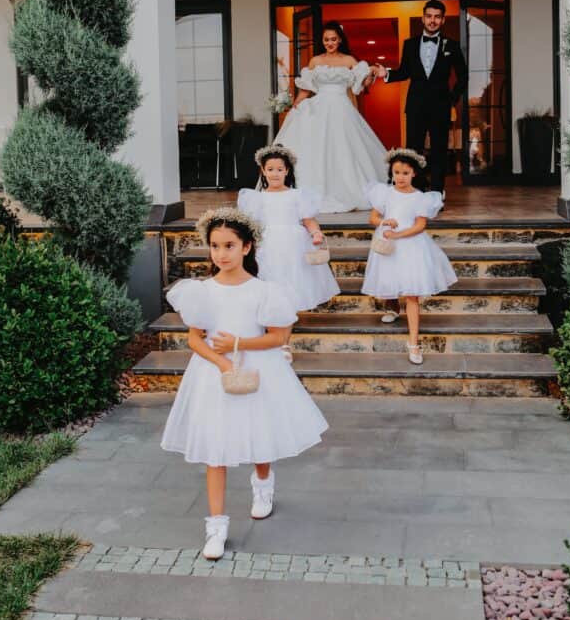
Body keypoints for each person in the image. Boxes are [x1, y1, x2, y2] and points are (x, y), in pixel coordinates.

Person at [160, 207, 328, 561]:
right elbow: (194, 339)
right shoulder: (201, 290)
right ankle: (216, 528)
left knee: (259, 434)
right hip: (212, 374)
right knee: (214, 451)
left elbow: (279, 335)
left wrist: (238, 345)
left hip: (259, 369)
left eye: (229, 246)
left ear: (247, 248)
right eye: (215, 246)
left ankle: (262, 483)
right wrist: (222, 362)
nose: (221, 254)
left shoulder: (264, 291)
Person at [272, 23, 387, 212]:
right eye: (326, 39)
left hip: (342, 108)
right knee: (317, 148)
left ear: (340, 39)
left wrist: (373, 71)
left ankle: (348, 187)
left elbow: (362, 83)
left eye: (333, 39)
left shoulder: (349, 60)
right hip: (319, 107)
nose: (330, 43)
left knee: (344, 148)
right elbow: (306, 88)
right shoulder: (315, 61)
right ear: (322, 41)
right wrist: (296, 105)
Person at [362, 149, 458, 364]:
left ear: (414, 173)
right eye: (396, 172)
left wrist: (398, 234)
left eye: (405, 173)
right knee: (389, 276)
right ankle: (393, 306)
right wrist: (384, 222)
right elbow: (373, 218)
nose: (400, 177)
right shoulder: (385, 193)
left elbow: (420, 226)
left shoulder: (421, 198)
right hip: (388, 240)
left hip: (411, 244)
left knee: (412, 293)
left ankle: (414, 343)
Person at [374, 0, 467, 204]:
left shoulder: (451, 45)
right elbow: (404, 72)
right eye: (429, 16)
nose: (432, 20)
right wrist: (386, 74)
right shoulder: (410, 44)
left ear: (442, 20)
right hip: (415, 105)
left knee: (439, 150)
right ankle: (415, 192)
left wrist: (451, 99)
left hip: (440, 106)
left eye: (437, 17)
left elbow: (463, 77)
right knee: (413, 150)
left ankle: (436, 193)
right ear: (423, 17)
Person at [238, 144, 339, 316]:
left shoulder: (297, 195)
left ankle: (291, 310)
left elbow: (308, 219)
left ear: (287, 171)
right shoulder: (257, 198)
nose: (275, 173)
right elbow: (252, 224)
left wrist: (315, 233)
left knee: (294, 275)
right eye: (270, 169)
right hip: (267, 243)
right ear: (263, 171)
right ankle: (273, 309)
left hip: (294, 243)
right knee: (270, 274)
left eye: (279, 169)